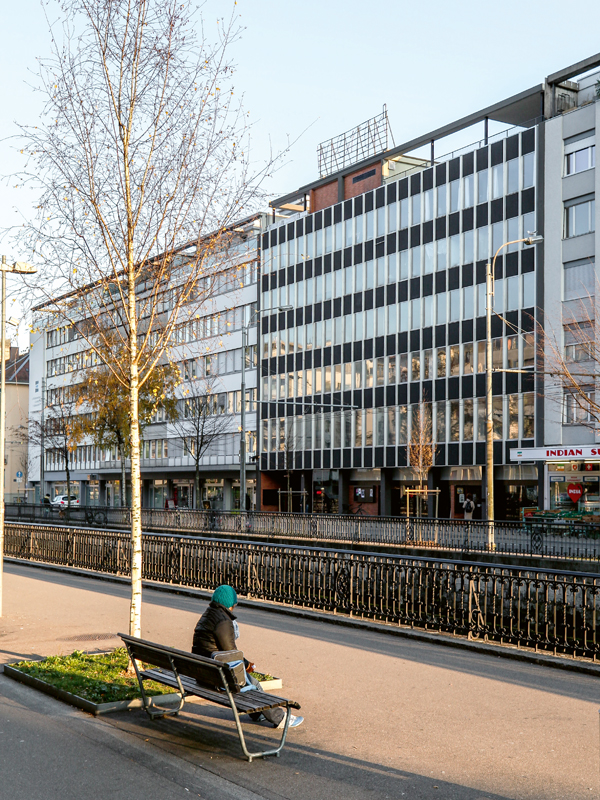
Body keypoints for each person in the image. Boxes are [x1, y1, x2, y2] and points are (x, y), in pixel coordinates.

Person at [192, 584, 303, 729]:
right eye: (234, 605)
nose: (234, 608)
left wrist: (245, 664)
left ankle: (258, 714)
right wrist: (246, 665)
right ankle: (280, 718)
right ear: (229, 604)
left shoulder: (208, 614)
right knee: (253, 685)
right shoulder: (223, 621)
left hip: (202, 672)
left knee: (252, 682)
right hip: (216, 677)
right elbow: (231, 653)